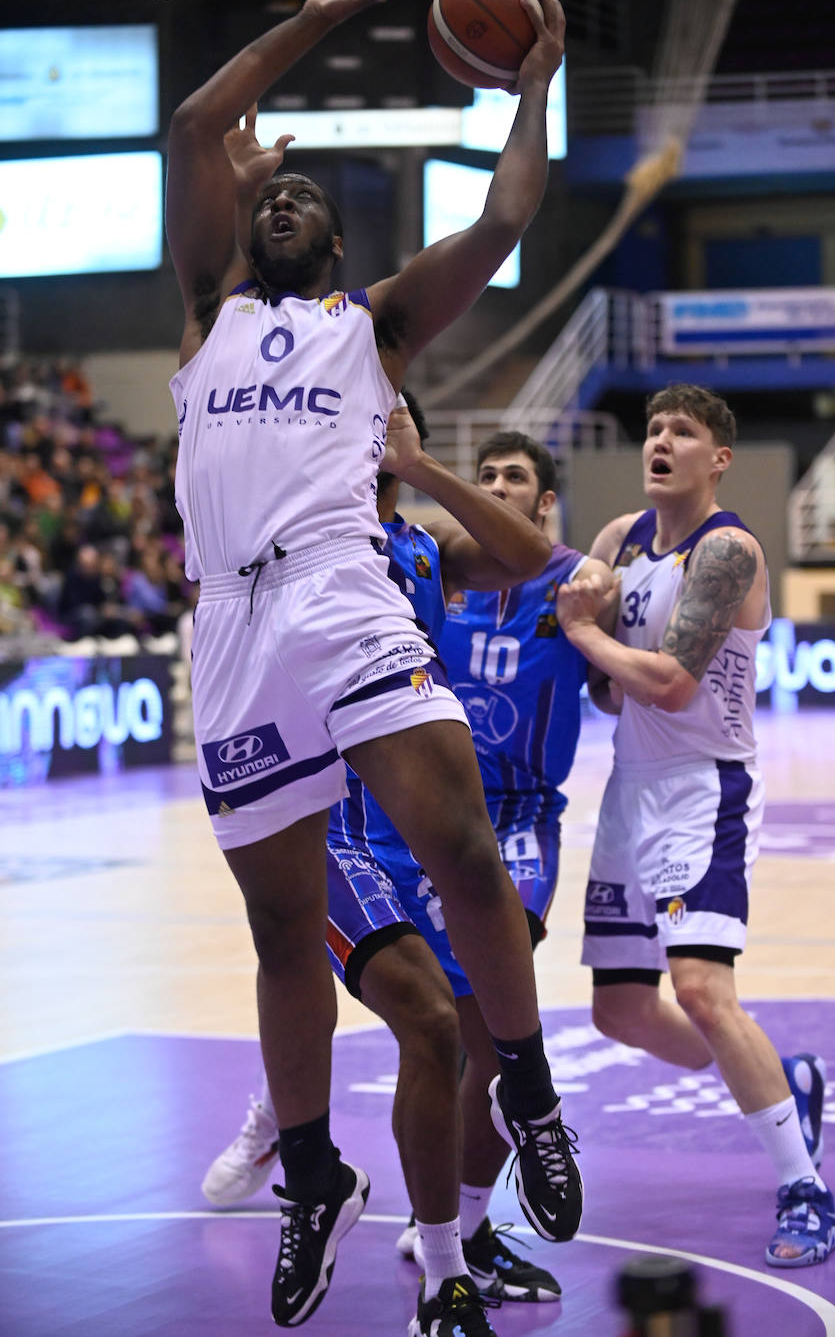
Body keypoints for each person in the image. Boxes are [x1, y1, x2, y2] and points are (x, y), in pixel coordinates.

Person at [165, 0, 579, 1331]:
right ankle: (308, 1174)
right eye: (266, 196)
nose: (278, 204)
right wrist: (320, 19)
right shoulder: (203, 312)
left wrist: (532, 83)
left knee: (456, 841)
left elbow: (506, 213)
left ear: (336, 253)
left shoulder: (373, 326)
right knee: (281, 926)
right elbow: (195, 124)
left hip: (341, 587)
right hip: (225, 620)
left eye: (300, 204)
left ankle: (517, 1076)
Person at [202, 421, 616, 1322]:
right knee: (422, 1018)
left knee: (452, 1034)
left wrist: (420, 464)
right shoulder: (282, 544)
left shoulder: (428, 550)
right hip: (341, 831)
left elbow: (530, 553)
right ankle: (294, 1141)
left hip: (468, 826)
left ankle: (445, 1262)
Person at [556, 382, 835, 1269]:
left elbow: (671, 683)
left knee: (705, 993)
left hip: (702, 788)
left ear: (717, 458)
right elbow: (607, 688)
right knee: (620, 1012)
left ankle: (804, 1187)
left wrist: (582, 630)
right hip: (630, 785)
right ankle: (782, 1082)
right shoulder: (617, 541)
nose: (660, 441)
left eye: (681, 432)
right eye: (652, 429)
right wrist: (590, 636)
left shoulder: (728, 552)